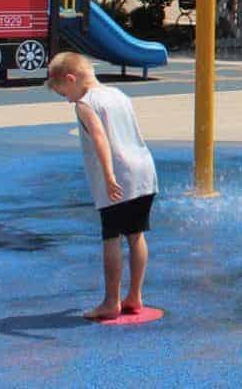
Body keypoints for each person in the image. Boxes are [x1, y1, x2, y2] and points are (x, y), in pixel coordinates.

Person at [47, 51, 158, 319]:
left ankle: (111, 302)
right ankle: (135, 296)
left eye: (64, 94)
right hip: (143, 171)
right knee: (136, 234)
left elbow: (99, 138)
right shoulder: (118, 94)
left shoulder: (85, 104)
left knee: (111, 238)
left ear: (71, 79)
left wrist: (108, 176)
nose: (67, 100)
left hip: (118, 176)